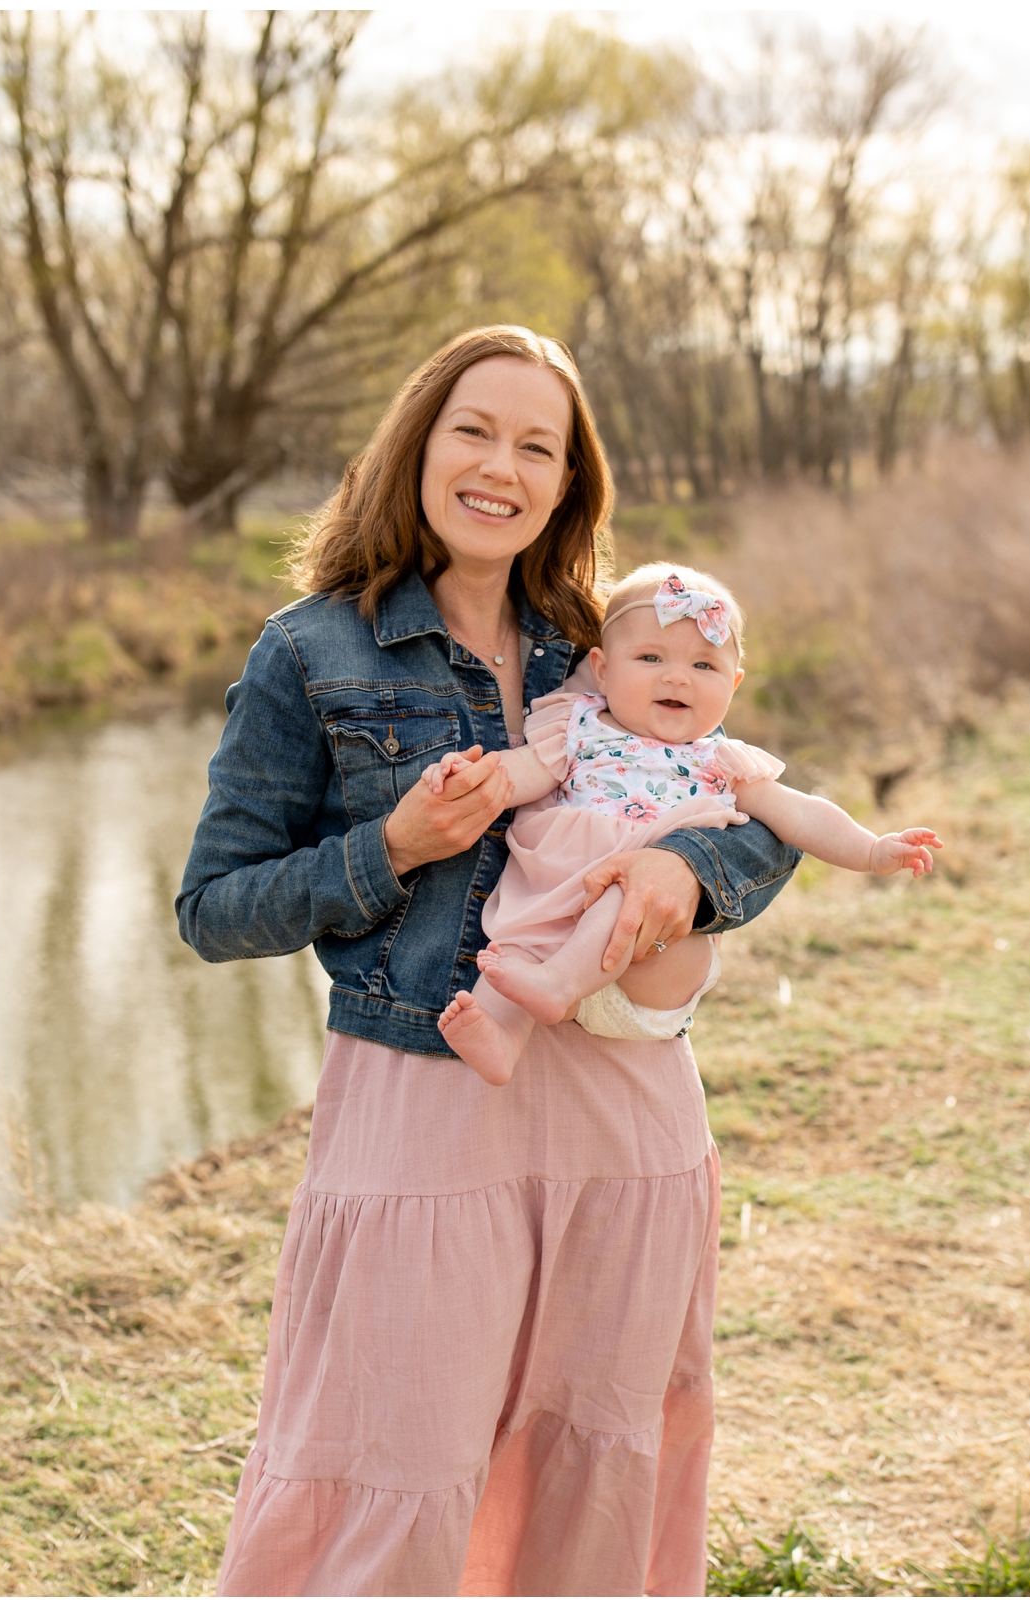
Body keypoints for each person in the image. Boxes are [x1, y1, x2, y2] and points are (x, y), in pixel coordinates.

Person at [176, 327, 803, 1595]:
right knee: (391, 1464)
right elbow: (214, 905)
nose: (500, 467)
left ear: (569, 482)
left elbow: (760, 809)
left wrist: (689, 876)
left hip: (623, 1112)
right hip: (424, 1105)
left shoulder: (614, 633)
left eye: (538, 445)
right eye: (475, 430)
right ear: (418, 445)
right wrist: (389, 845)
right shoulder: (312, 651)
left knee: (598, 1451)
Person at [429, 561, 943, 1086]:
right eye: (650, 658)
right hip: (555, 894)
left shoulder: (721, 760)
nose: (676, 677)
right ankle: (503, 1040)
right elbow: (518, 774)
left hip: (651, 940)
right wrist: (467, 776)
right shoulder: (575, 725)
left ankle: (559, 985)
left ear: (734, 684)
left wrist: (873, 849)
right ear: (603, 670)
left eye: (704, 666)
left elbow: (802, 814)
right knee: (510, 948)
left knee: (626, 890)